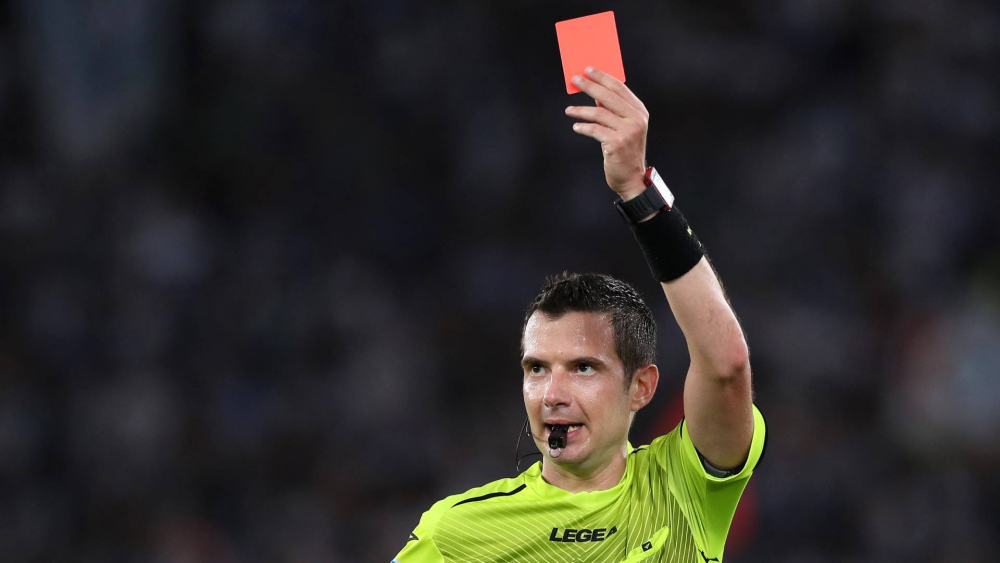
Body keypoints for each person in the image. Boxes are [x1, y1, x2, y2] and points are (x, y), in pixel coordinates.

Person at [392, 67, 766, 562]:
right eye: (537, 369)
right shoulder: (459, 533)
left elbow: (726, 366)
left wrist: (639, 191)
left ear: (641, 387)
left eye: (583, 367)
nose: (553, 394)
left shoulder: (682, 487)